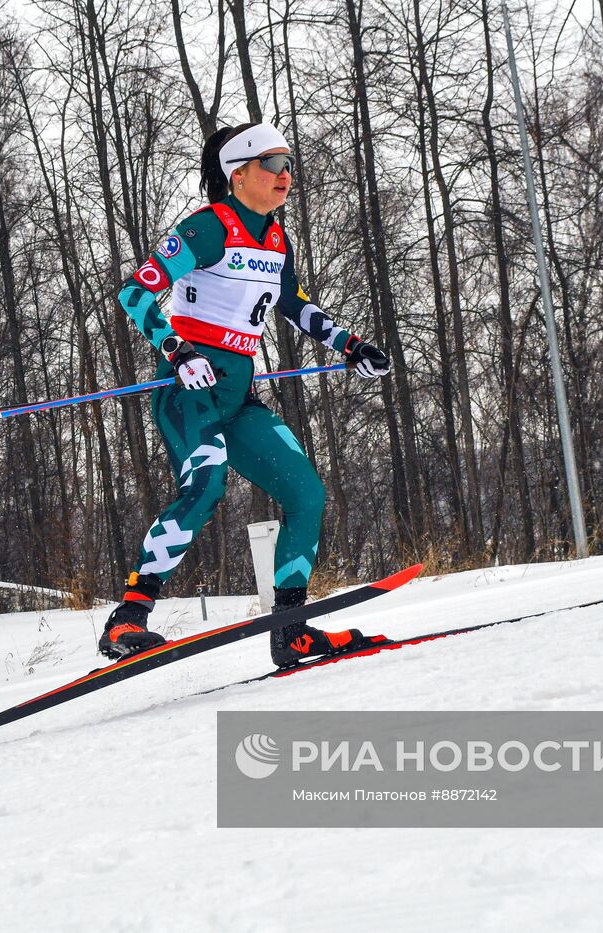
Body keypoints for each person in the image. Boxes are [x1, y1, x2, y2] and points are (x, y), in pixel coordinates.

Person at [100, 121, 393, 667]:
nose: (286, 175)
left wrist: (350, 345)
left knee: (307, 493)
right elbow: (134, 292)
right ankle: (128, 620)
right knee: (206, 487)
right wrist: (178, 352)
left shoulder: (276, 236)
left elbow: (294, 304)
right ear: (239, 174)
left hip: (239, 395)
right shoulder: (209, 227)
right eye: (273, 165)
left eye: (289, 164)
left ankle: (291, 628)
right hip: (191, 390)